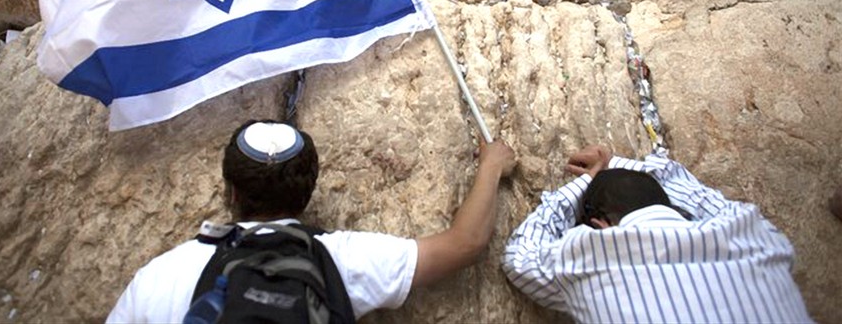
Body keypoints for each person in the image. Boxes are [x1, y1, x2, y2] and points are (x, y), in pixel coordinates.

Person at [107, 120, 516, 322]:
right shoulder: (340, 260)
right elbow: (466, 243)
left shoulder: (161, 276)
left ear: (229, 191)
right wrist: (492, 166)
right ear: (308, 191)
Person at [503, 145, 813, 323]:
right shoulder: (751, 231)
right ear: (676, 208)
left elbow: (520, 257)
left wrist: (584, 185)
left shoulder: (596, 253)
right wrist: (615, 165)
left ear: (599, 226)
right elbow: (693, 191)